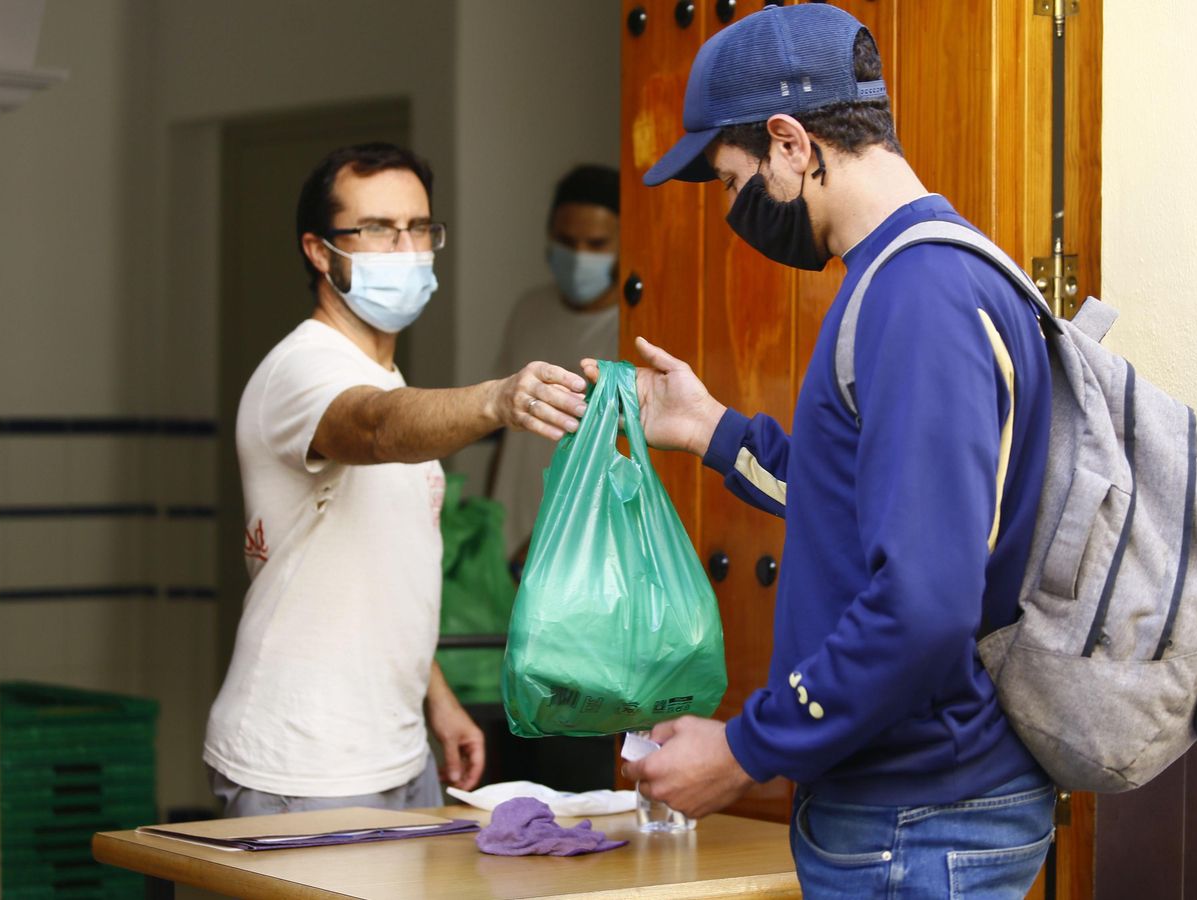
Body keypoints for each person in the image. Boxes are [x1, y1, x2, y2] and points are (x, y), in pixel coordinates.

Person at [605, 6, 1056, 897]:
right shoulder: (917, 273)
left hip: (919, 819)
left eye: (734, 182)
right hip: (920, 813)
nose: (736, 211)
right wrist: (709, 429)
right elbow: (863, 495)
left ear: (789, 142)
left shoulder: (916, 294)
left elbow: (923, 604)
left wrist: (745, 749)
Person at [204, 142, 590, 817]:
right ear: (320, 251)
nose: (406, 247)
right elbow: (376, 428)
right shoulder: (302, 369)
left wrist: (437, 701)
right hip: (306, 761)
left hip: (399, 752)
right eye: (377, 229)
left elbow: (380, 581)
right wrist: (498, 401)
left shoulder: (386, 373)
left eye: (419, 227)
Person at [488, 165, 621, 565]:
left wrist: (544, 539)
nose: (580, 256)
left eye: (596, 243)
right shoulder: (529, 310)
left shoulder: (634, 328)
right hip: (504, 543)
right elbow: (505, 430)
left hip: (575, 555)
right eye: (567, 241)